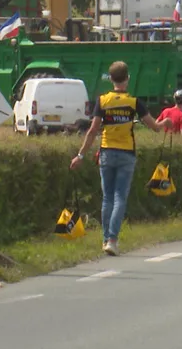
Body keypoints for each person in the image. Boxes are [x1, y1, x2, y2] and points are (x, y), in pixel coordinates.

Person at [70, 61, 171, 256]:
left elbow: (92, 131)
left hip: (106, 152)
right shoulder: (134, 102)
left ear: (111, 79)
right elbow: (154, 127)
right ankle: (113, 240)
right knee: (119, 197)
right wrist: (165, 121)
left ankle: (105, 239)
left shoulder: (103, 101)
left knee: (107, 198)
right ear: (127, 79)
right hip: (126, 154)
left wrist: (80, 155)